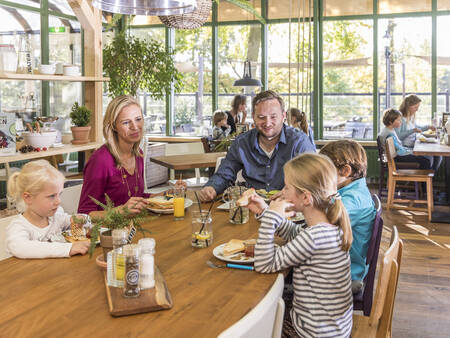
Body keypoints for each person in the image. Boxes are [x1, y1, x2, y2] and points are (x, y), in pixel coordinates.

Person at [246, 153, 353, 338]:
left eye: (287, 187)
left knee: (255, 320)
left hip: (311, 332)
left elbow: (264, 264)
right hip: (334, 327)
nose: (282, 191)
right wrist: (265, 211)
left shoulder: (314, 237)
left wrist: (271, 219)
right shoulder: (328, 227)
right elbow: (297, 235)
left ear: (306, 198)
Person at [198, 90, 316, 202]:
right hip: (251, 208)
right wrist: (211, 188)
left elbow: (314, 178)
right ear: (253, 116)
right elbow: (225, 174)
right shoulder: (242, 143)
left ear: (283, 116)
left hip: (290, 210)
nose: (267, 123)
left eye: (273, 116)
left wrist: (294, 192)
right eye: (261, 117)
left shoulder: (299, 142)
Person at [319, 140, 376, 293]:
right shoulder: (353, 190)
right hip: (345, 265)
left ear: (345, 171)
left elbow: (320, 228)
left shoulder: (353, 201)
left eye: (325, 170)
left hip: (347, 275)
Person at [78, 95, 150, 216]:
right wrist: (120, 211)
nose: (134, 127)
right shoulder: (100, 161)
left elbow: (136, 198)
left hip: (132, 227)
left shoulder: (138, 155)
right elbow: (84, 213)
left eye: (138, 119)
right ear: (113, 126)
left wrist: (165, 195)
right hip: (107, 232)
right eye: (126, 122)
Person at [6, 160, 90, 259]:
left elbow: (78, 221)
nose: (58, 201)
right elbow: (21, 248)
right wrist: (67, 249)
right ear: (28, 198)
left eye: (59, 194)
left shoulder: (56, 217)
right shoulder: (18, 227)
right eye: (52, 196)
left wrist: (82, 219)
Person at [396, 94, 441, 170]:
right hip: (405, 149)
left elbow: (417, 128)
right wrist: (412, 131)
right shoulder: (401, 119)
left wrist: (428, 127)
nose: (417, 109)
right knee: (428, 159)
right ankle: (426, 180)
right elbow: (399, 136)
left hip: (412, 147)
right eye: (415, 107)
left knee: (438, 156)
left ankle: (430, 178)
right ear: (408, 106)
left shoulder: (410, 117)